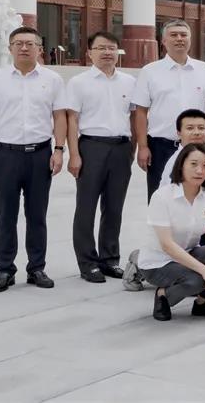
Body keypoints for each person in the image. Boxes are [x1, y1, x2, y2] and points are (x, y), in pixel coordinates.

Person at [0, 27, 67, 292]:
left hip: (40, 154)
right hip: (6, 155)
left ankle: (36, 268)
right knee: (6, 215)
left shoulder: (52, 79)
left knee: (37, 215)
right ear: (10, 48)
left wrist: (59, 150)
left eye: (30, 43)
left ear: (40, 48)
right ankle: (5, 270)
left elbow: (60, 116)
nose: (24, 48)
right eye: (18, 43)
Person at [65, 31, 136, 283]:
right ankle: (88, 263)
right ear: (89, 53)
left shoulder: (129, 81)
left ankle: (109, 259)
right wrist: (74, 154)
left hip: (121, 148)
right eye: (101, 48)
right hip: (91, 147)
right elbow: (72, 120)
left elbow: (134, 117)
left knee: (114, 207)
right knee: (86, 207)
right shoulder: (78, 83)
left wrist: (132, 149)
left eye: (111, 48)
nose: (107, 52)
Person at [123, 109, 205, 291]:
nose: (196, 132)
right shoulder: (176, 164)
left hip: (188, 229)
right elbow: (169, 206)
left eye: (201, 128)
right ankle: (140, 259)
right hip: (171, 227)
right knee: (195, 282)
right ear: (178, 133)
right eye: (190, 128)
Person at [140, 143, 205, 321]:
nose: (199, 171)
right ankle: (163, 295)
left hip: (187, 255)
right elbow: (167, 245)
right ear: (181, 166)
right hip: (158, 263)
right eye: (193, 164)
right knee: (196, 281)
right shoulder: (162, 197)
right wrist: (204, 271)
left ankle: (203, 304)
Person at [132, 20, 205, 201]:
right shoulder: (150, 71)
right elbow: (141, 112)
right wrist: (142, 146)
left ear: (190, 39)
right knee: (159, 198)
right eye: (174, 35)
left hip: (195, 147)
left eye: (183, 35)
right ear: (163, 41)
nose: (179, 39)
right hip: (160, 147)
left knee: (195, 197)